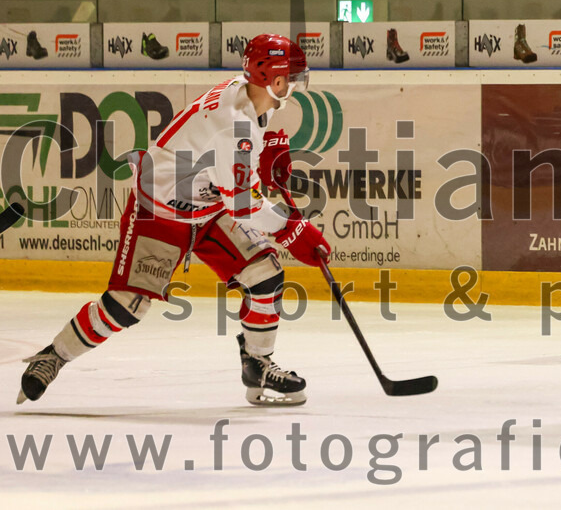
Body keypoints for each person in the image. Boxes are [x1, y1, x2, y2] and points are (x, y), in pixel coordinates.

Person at [17, 34, 331, 406]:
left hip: (209, 206)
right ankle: (53, 356)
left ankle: (258, 364)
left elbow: (229, 170)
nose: (296, 83)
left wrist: (263, 164)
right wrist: (293, 230)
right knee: (126, 305)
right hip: (160, 209)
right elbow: (244, 205)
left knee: (264, 273)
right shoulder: (235, 127)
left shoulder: (249, 96)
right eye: (292, 76)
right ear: (274, 79)